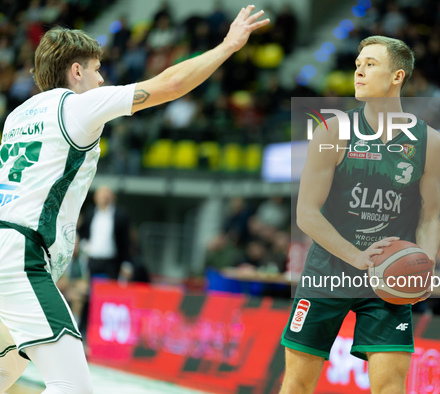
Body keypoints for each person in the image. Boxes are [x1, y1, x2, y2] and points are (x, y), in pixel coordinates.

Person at [0, 6, 269, 394]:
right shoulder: (76, 105)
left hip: (8, 250)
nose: (102, 78)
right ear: (76, 72)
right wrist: (228, 45)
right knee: (73, 386)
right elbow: (170, 84)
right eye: (96, 70)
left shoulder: (16, 116)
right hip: (20, 256)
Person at [280, 36, 440, 393]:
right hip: (328, 272)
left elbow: (430, 218)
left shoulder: (430, 143)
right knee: (296, 384)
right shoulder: (332, 131)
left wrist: (425, 266)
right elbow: (307, 214)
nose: (358, 70)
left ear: (397, 76)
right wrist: (356, 256)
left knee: (390, 386)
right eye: (358, 63)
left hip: (388, 278)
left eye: (370, 64)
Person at [79, 185, 130, 280]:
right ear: (95, 198)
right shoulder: (90, 213)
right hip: (92, 260)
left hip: (111, 261)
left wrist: (126, 263)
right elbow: (84, 233)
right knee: (90, 289)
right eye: (102, 196)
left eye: (107, 196)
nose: (104, 199)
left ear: (113, 198)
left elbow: (125, 240)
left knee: (110, 290)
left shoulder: (120, 215)